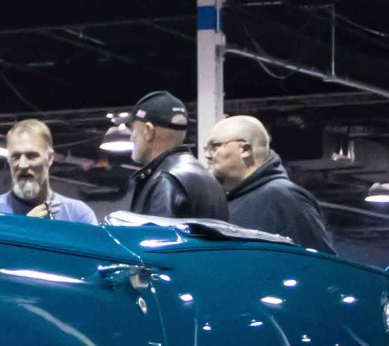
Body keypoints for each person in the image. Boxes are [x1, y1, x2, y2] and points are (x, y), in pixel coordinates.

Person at [204, 114, 335, 252]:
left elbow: (320, 262)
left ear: (245, 149)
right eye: (206, 149)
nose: (207, 155)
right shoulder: (228, 202)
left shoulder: (285, 198)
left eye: (214, 147)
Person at [123, 90, 229, 221]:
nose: (131, 138)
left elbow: (157, 234)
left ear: (148, 131)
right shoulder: (208, 178)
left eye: (133, 129)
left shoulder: (165, 180)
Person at [0, 119, 100, 223]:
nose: (22, 165)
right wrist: (27, 229)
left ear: (50, 158)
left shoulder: (78, 215)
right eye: (16, 156)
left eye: (32, 156)